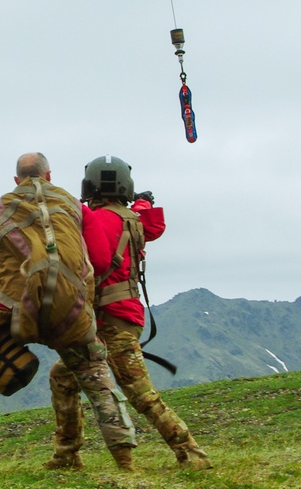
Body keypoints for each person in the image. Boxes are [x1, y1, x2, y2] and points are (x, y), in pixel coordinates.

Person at [0, 152, 137, 471]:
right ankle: (125, 461)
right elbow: (102, 262)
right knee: (97, 379)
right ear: (49, 176)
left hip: (12, 311)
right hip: (70, 310)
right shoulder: (75, 207)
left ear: (17, 180)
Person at [47, 154, 211, 470]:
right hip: (127, 315)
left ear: (89, 185)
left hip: (107, 319)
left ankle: (192, 453)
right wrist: (142, 203)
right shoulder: (135, 218)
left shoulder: (92, 220)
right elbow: (153, 222)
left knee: (139, 392)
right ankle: (66, 454)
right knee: (63, 376)